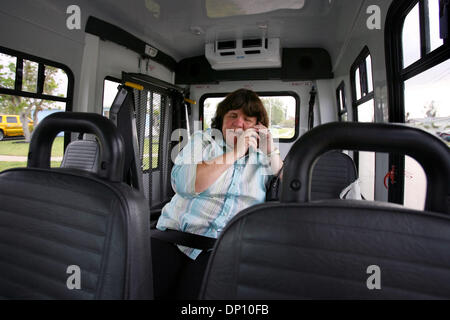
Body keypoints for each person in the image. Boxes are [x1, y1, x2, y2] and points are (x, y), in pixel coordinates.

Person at [153, 88, 283, 299]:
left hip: (223, 248)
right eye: (232, 115)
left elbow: (292, 191)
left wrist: (271, 151)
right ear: (221, 120)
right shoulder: (203, 141)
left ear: (258, 126)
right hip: (174, 237)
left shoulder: (264, 158)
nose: (238, 123)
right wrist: (235, 153)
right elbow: (183, 183)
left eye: (247, 119)